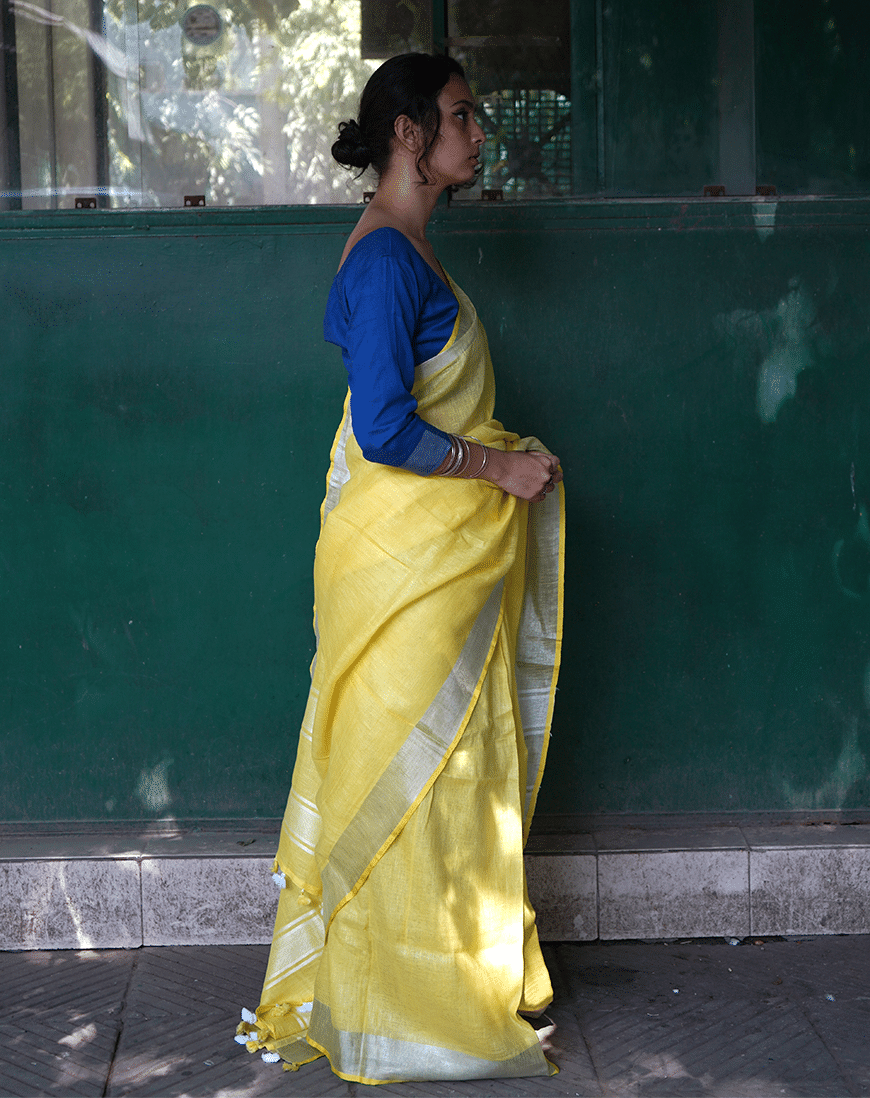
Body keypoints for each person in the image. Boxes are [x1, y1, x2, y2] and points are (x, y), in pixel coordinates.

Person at [235, 52, 565, 1085]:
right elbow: (384, 429)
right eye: (465, 116)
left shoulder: (410, 254)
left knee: (445, 779)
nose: (480, 133)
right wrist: (496, 465)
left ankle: (448, 984)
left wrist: (505, 461)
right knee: (408, 782)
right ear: (411, 134)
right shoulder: (386, 263)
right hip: (403, 577)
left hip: (431, 568)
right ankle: (400, 1012)